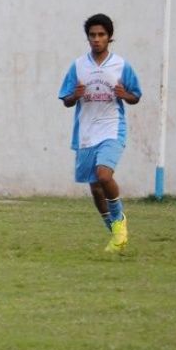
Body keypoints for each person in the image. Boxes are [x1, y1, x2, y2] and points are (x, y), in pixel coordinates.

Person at [58, 13, 142, 253]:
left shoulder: (121, 66)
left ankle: (119, 221)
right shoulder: (78, 66)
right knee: (95, 187)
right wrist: (75, 95)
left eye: (101, 35)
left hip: (112, 128)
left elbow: (135, 95)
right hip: (85, 132)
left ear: (109, 37)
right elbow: (66, 99)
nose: (97, 39)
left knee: (104, 176)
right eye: (92, 35)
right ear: (88, 38)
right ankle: (115, 233)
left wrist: (126, 96)